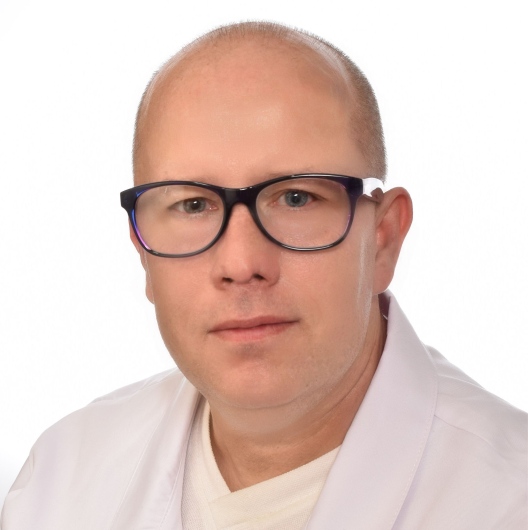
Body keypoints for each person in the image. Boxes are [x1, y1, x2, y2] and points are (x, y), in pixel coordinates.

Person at [1, 21, 526, 530]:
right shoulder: (59, 482)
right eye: (192, 205)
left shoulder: (509, 500)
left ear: (383, 239)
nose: (241, 265)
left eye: (296, 198)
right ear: (143, 253)